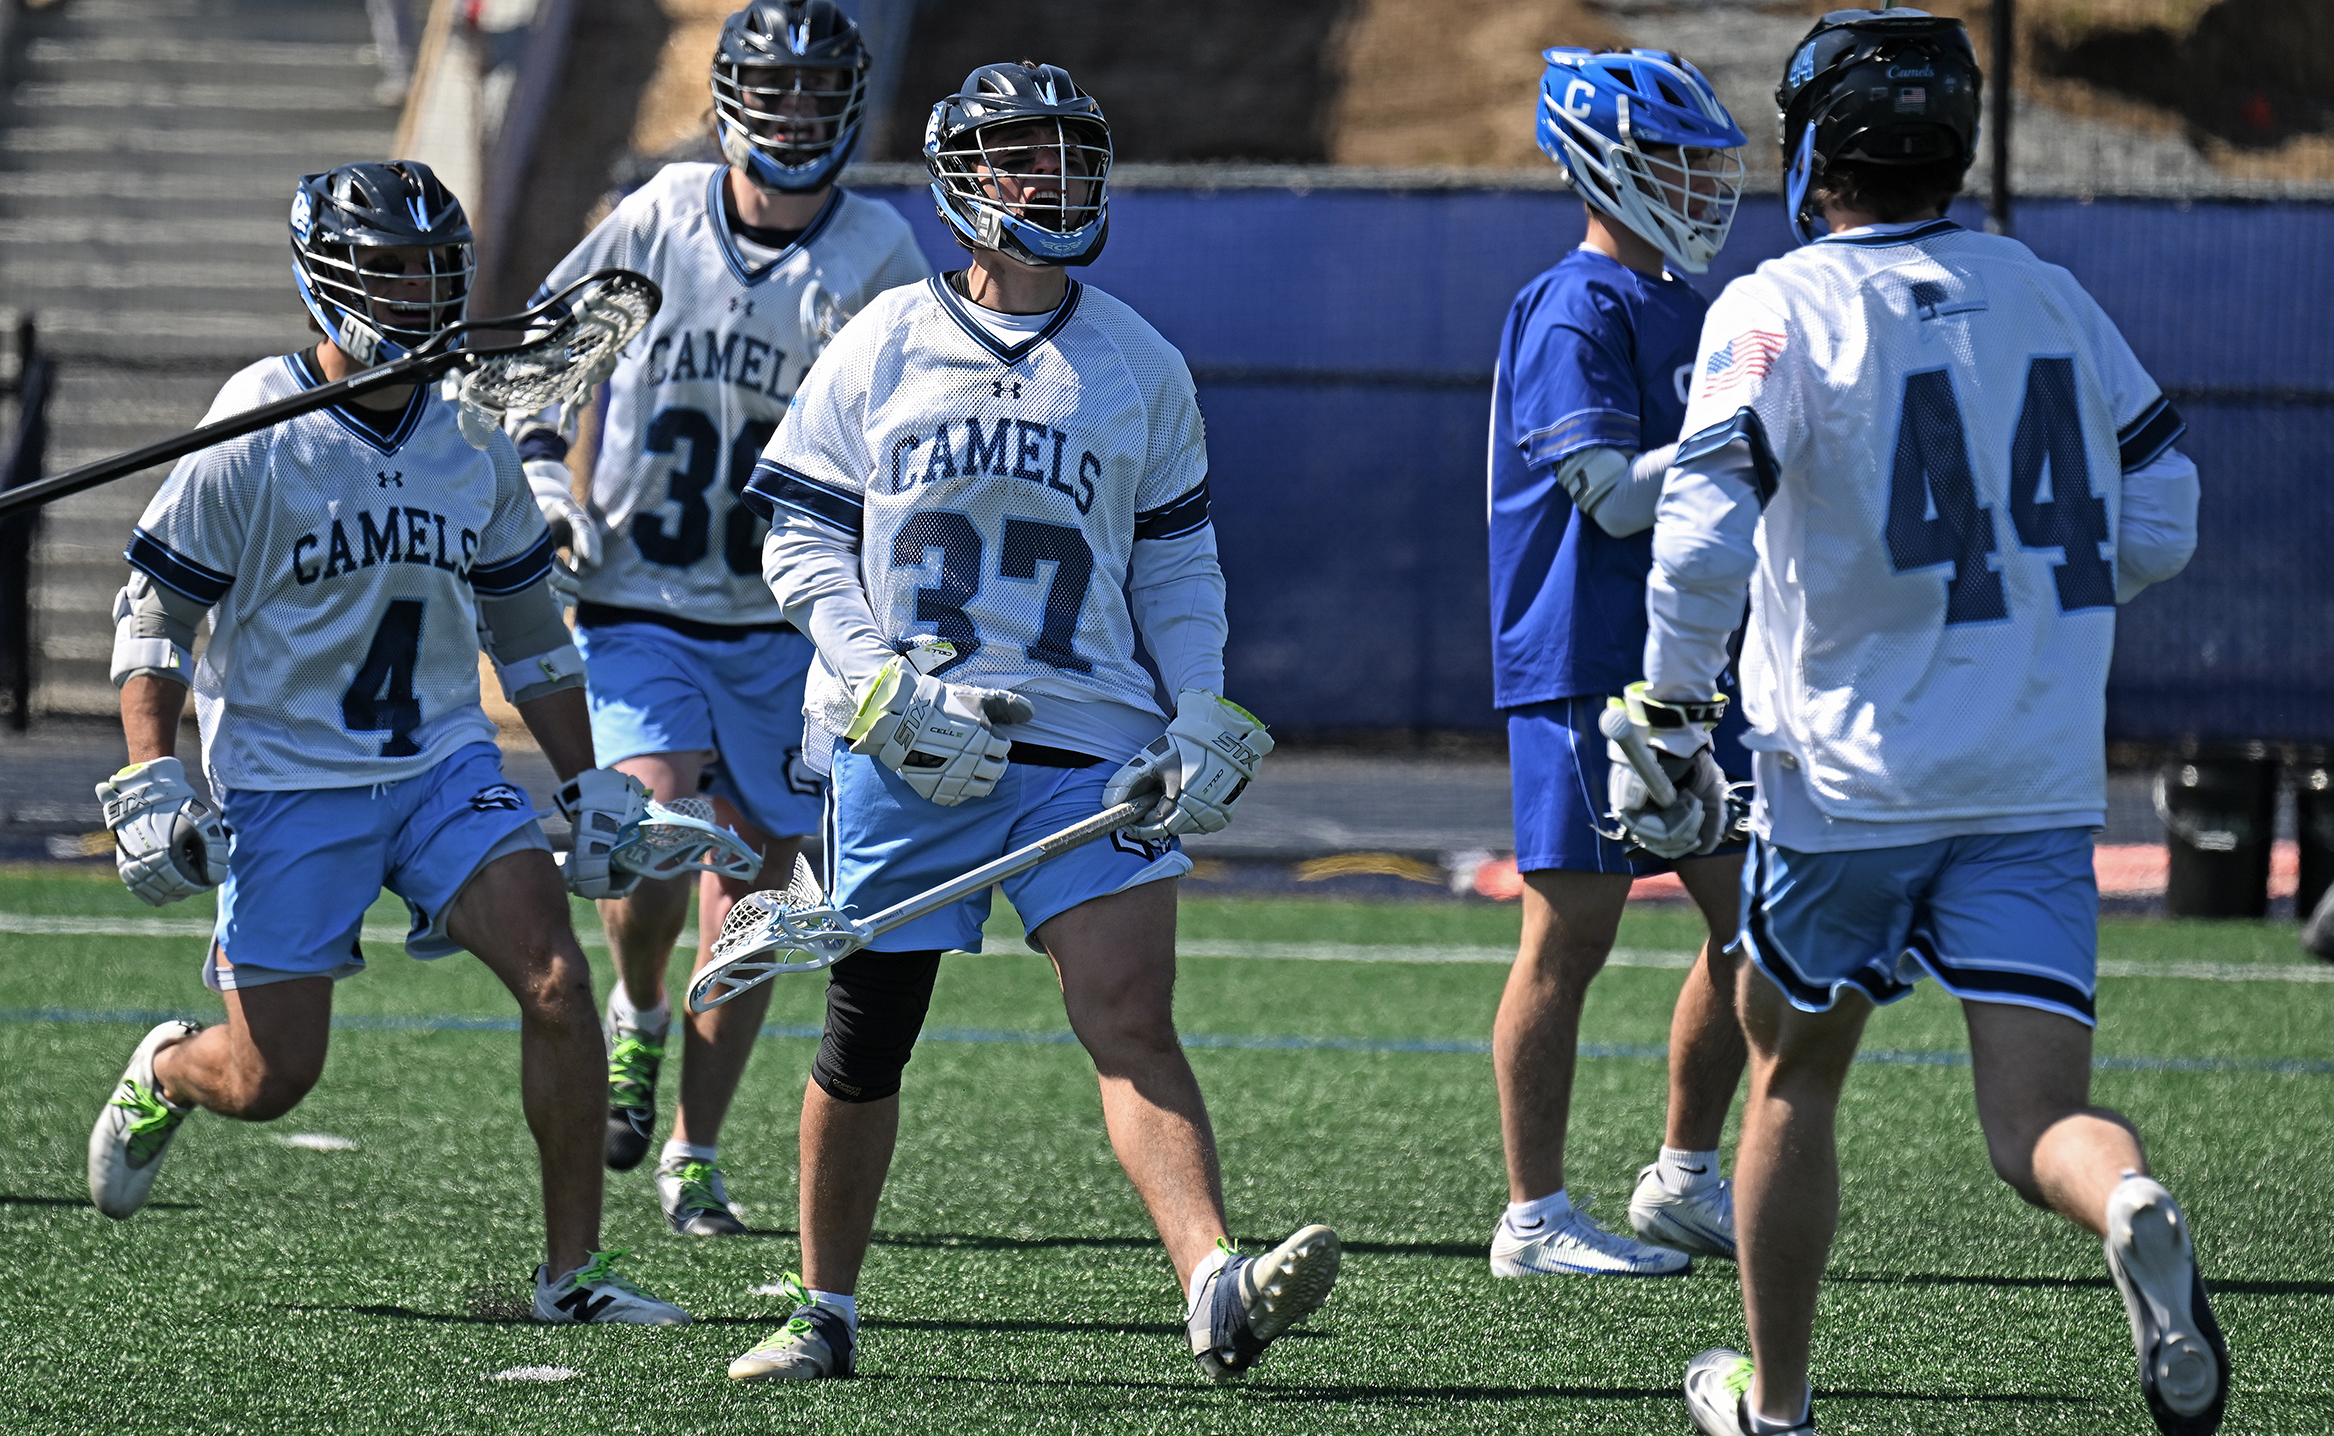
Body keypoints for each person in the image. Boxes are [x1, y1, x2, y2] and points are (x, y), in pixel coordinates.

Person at [1620, 12, 2223, 1435]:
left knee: (1791, 1086)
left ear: (1815, 147)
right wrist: (2032, 584)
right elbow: (2163, 515)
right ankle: (2124, 1199)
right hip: (2030, 777)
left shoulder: (1776, 305)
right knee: (2037, 1130)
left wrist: (1664, 702)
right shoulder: (2053, 296)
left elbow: (1702, 537)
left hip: (1849, 784)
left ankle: (1772, 1407)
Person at [722, 60, 1340, 1383]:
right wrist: (878, 681)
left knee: (1130, 1013)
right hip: (912, 741)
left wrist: (1197, 706)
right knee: (866, 1033)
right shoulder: (884, 337)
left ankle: (1212, 1284)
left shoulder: (1138, 361)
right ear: (961, 179)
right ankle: (821, 1309)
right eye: (1017, 157)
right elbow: (799, 538)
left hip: (1090, 741)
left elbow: (1174, 566)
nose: (1049, 180)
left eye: (1066, 155)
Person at [84, 160, 689, 1326]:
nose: (419, 295)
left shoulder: (469, 432)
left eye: (436, 270)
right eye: (391, 271)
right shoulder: (254, 429)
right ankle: (167, 1067)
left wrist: (588, 781)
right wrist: (151, 771)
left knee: (561, 982)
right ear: (324, 278)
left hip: (439, 769)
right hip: (287, 783)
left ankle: (572, 1277)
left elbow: (525, 631)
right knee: (270, 1078)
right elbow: (157, 615)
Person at [516, 0, 932, 1237]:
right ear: (732, 97)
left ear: (848, 107)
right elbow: (546, 352)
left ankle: (694, 1151)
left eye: (819, 93)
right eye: (778, 89)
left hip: (791, 621)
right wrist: (549, 480)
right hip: (641, 592)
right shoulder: (657, 216)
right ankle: (639, 1005)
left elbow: (917, 441)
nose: (797, 114)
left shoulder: (878, 253)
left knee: (755, 893)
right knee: (648, 826)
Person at [1484, 46, 1753, 1280]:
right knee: (1568, 938)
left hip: (1684, 667)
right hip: (1589, 661)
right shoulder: (1576, 302)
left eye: (1705, 161)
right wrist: (1750, 441)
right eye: (1674, 161)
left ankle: (1685, 1176)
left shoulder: (1685, 307)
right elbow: (1607, 494)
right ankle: (1533, 1215)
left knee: (1760, 922)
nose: (1699, 183)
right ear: (1607, 164)